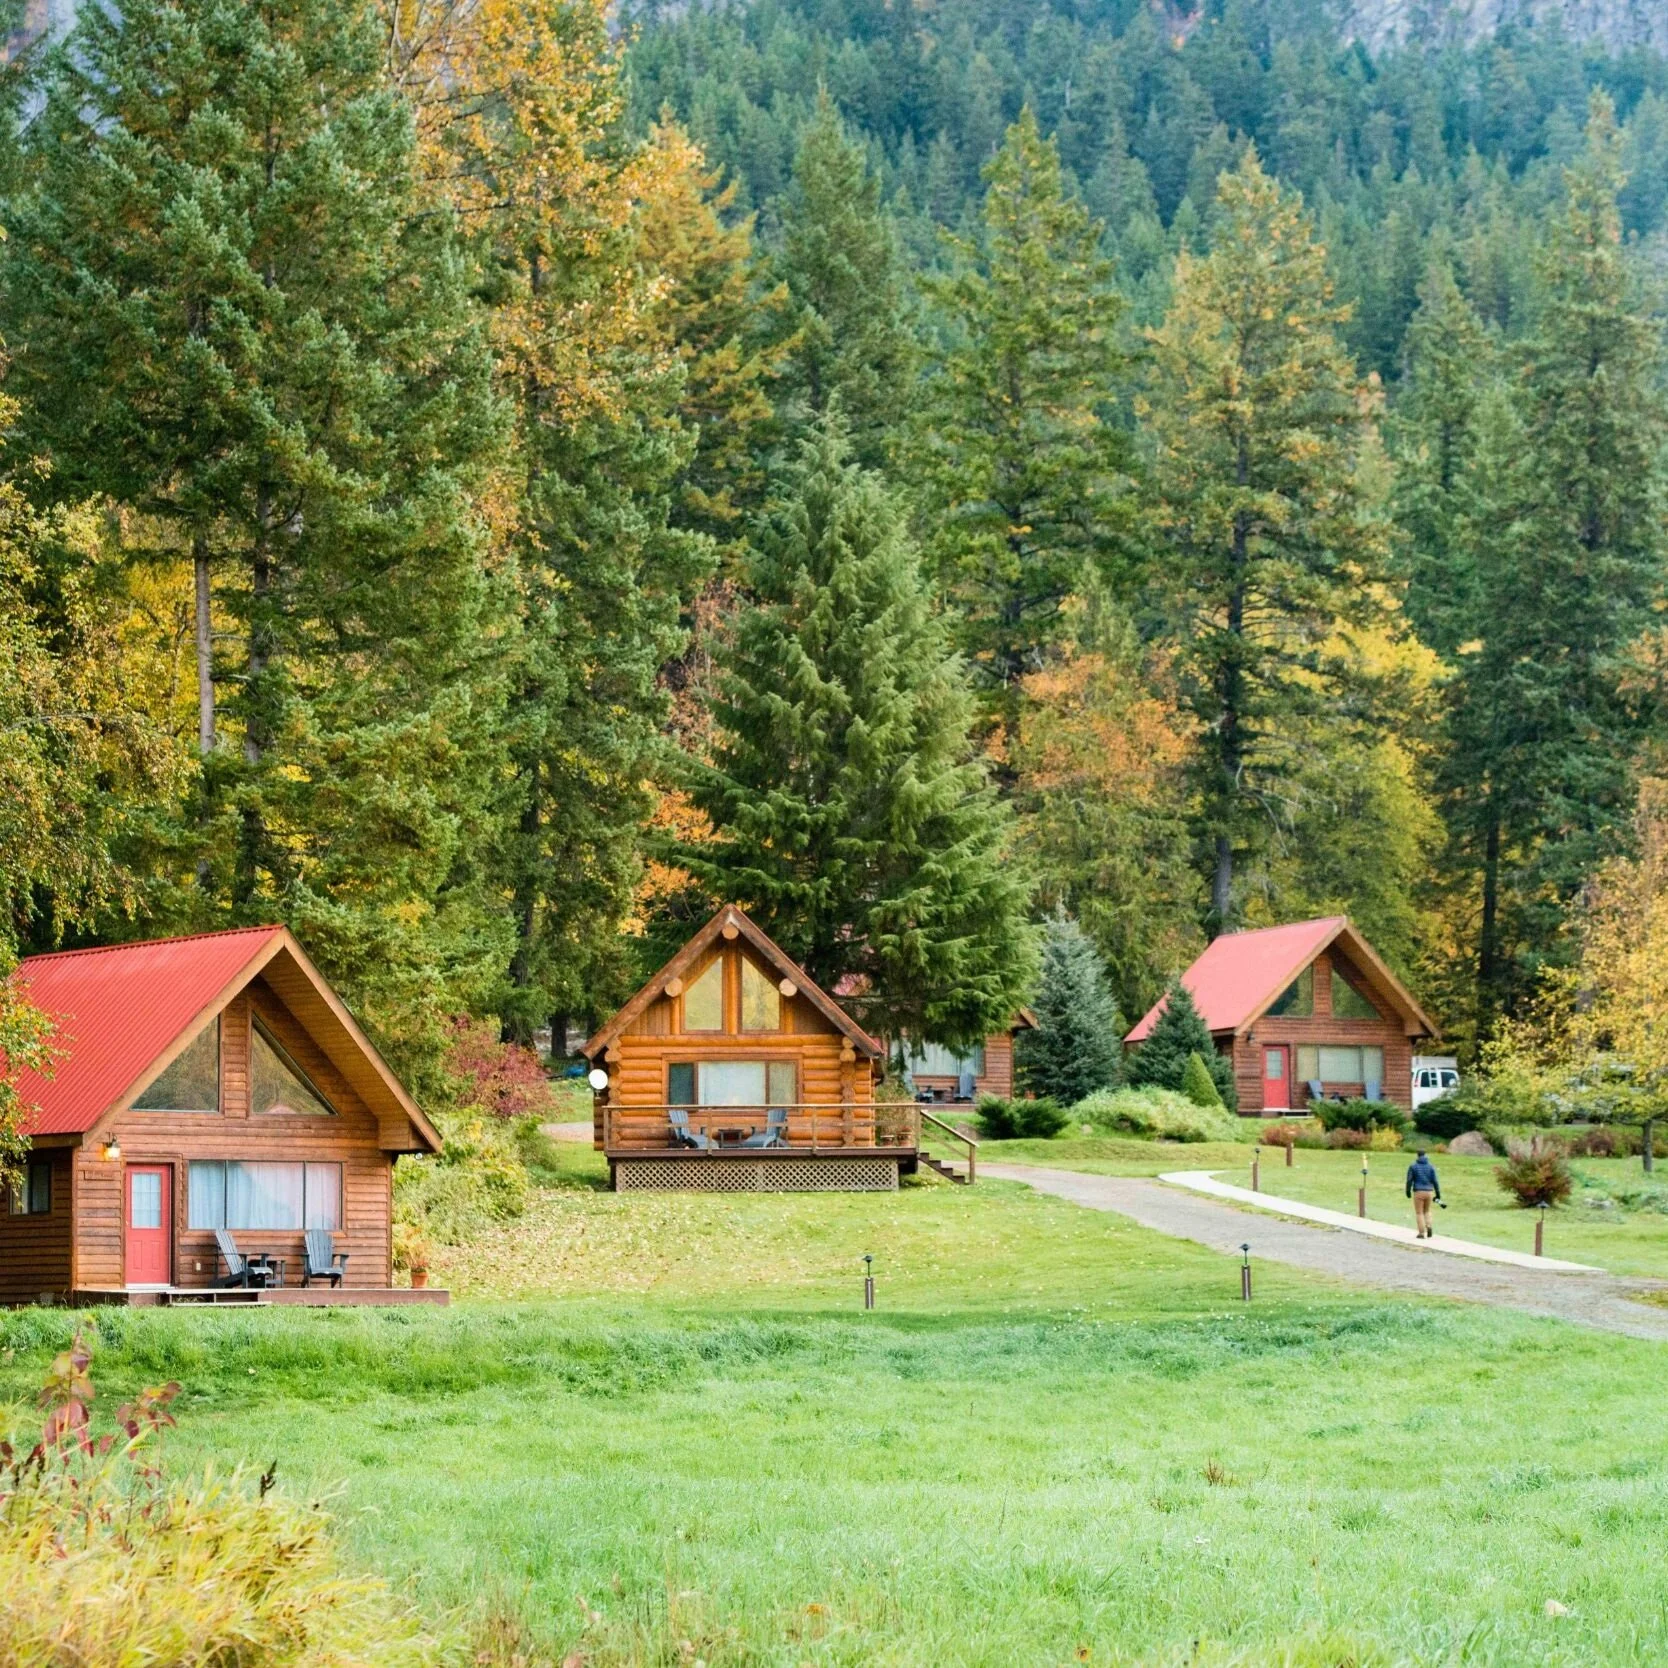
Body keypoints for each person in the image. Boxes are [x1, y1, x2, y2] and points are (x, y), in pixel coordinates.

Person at [1405, 1149, 1441, 1238]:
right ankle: (1429, 1226)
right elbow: (1435, 1181)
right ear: (1425, 1155)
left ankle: (1421, 1233)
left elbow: (1409, 1180)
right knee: (1427, 1211)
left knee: (1419, 1213)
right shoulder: (1431, 1166)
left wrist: (1408, 1191)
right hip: (1429, 1192)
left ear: (1417, 1155)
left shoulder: (1413, 1166)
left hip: (1418, 1192)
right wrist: (1438, 1193)